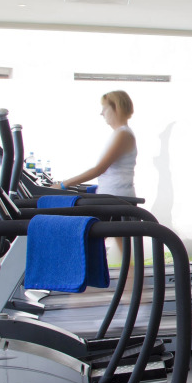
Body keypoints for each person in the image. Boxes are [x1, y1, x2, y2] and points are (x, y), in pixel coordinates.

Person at [56, 90, 137, 258]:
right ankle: (131, 275)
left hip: (115, 200)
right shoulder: (120, 133)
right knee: (123, 251)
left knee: (83, 241)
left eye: (105, 108)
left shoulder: (123, 134)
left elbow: (99, 169)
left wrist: (63, 185)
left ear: (116, 108)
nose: (102, 113)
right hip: (113, 198)